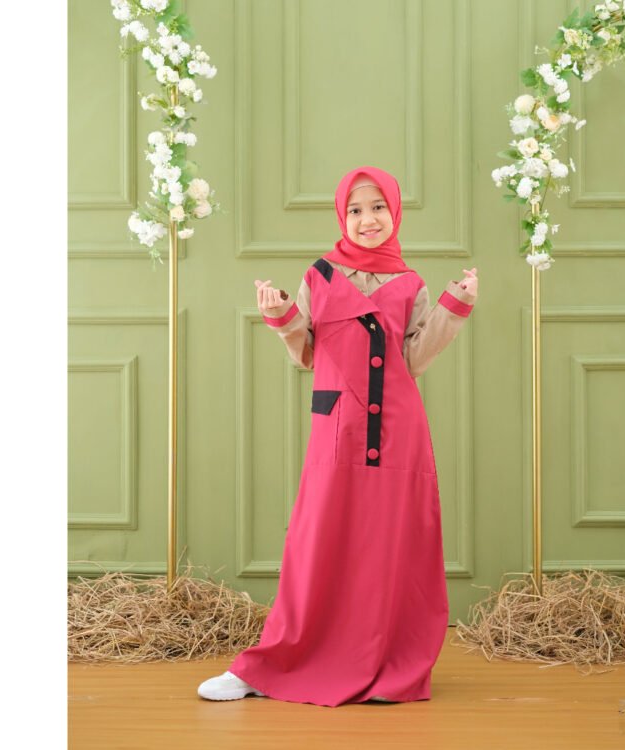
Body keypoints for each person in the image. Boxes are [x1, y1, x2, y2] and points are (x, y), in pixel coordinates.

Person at [198, 166, 478, 707]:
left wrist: (455, 306)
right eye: (355, 210)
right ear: (341, 217)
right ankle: (271, 665)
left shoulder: (411, 283)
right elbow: (306, 350)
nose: (367, 219)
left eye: (378, 207)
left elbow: (413, 359)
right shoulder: (320, 276)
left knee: (388, 547)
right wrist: (280, 315)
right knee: (317, 544)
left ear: (394, 212)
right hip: (338, 426)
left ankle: (381, 663)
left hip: (398, 429)